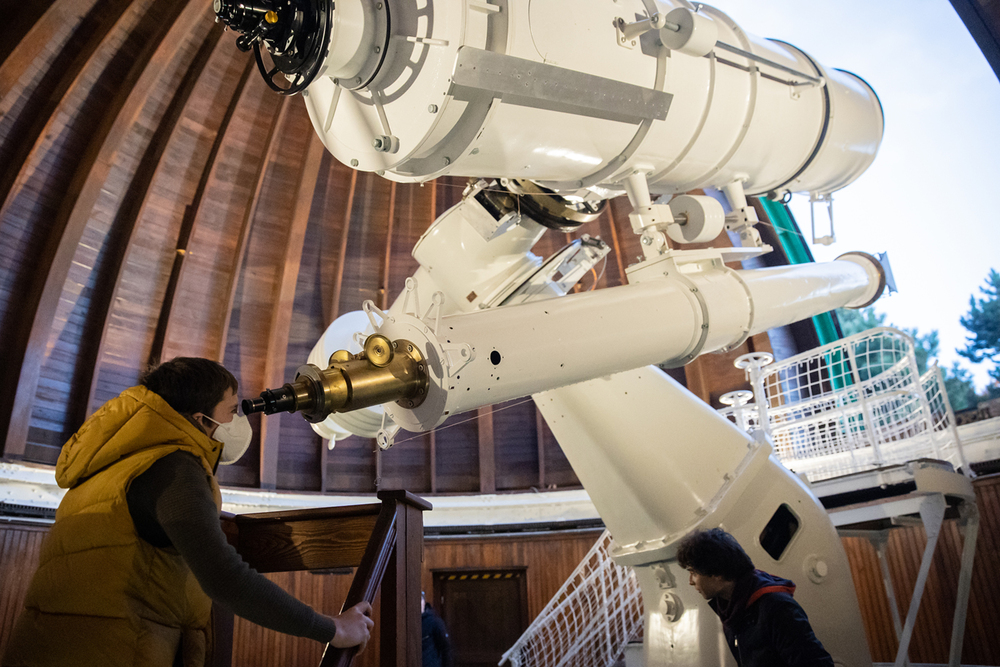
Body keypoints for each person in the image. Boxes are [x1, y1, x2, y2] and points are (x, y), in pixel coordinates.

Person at [3, 357, 374, 667]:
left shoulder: (110, 464)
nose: (237, 419)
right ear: (200, 420)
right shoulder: (175, 468)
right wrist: (332, 628)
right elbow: (223, 575)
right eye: (231, 410)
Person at [676, 528, 834, 667]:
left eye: (694, 572)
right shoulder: (731, 610)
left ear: (717, 573)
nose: (691, 581)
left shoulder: (776, 607)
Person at [421, 591, 453, 667]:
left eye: (420, 599)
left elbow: (446, 648)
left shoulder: (434, 621)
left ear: (424, 602)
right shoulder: (408, 622)